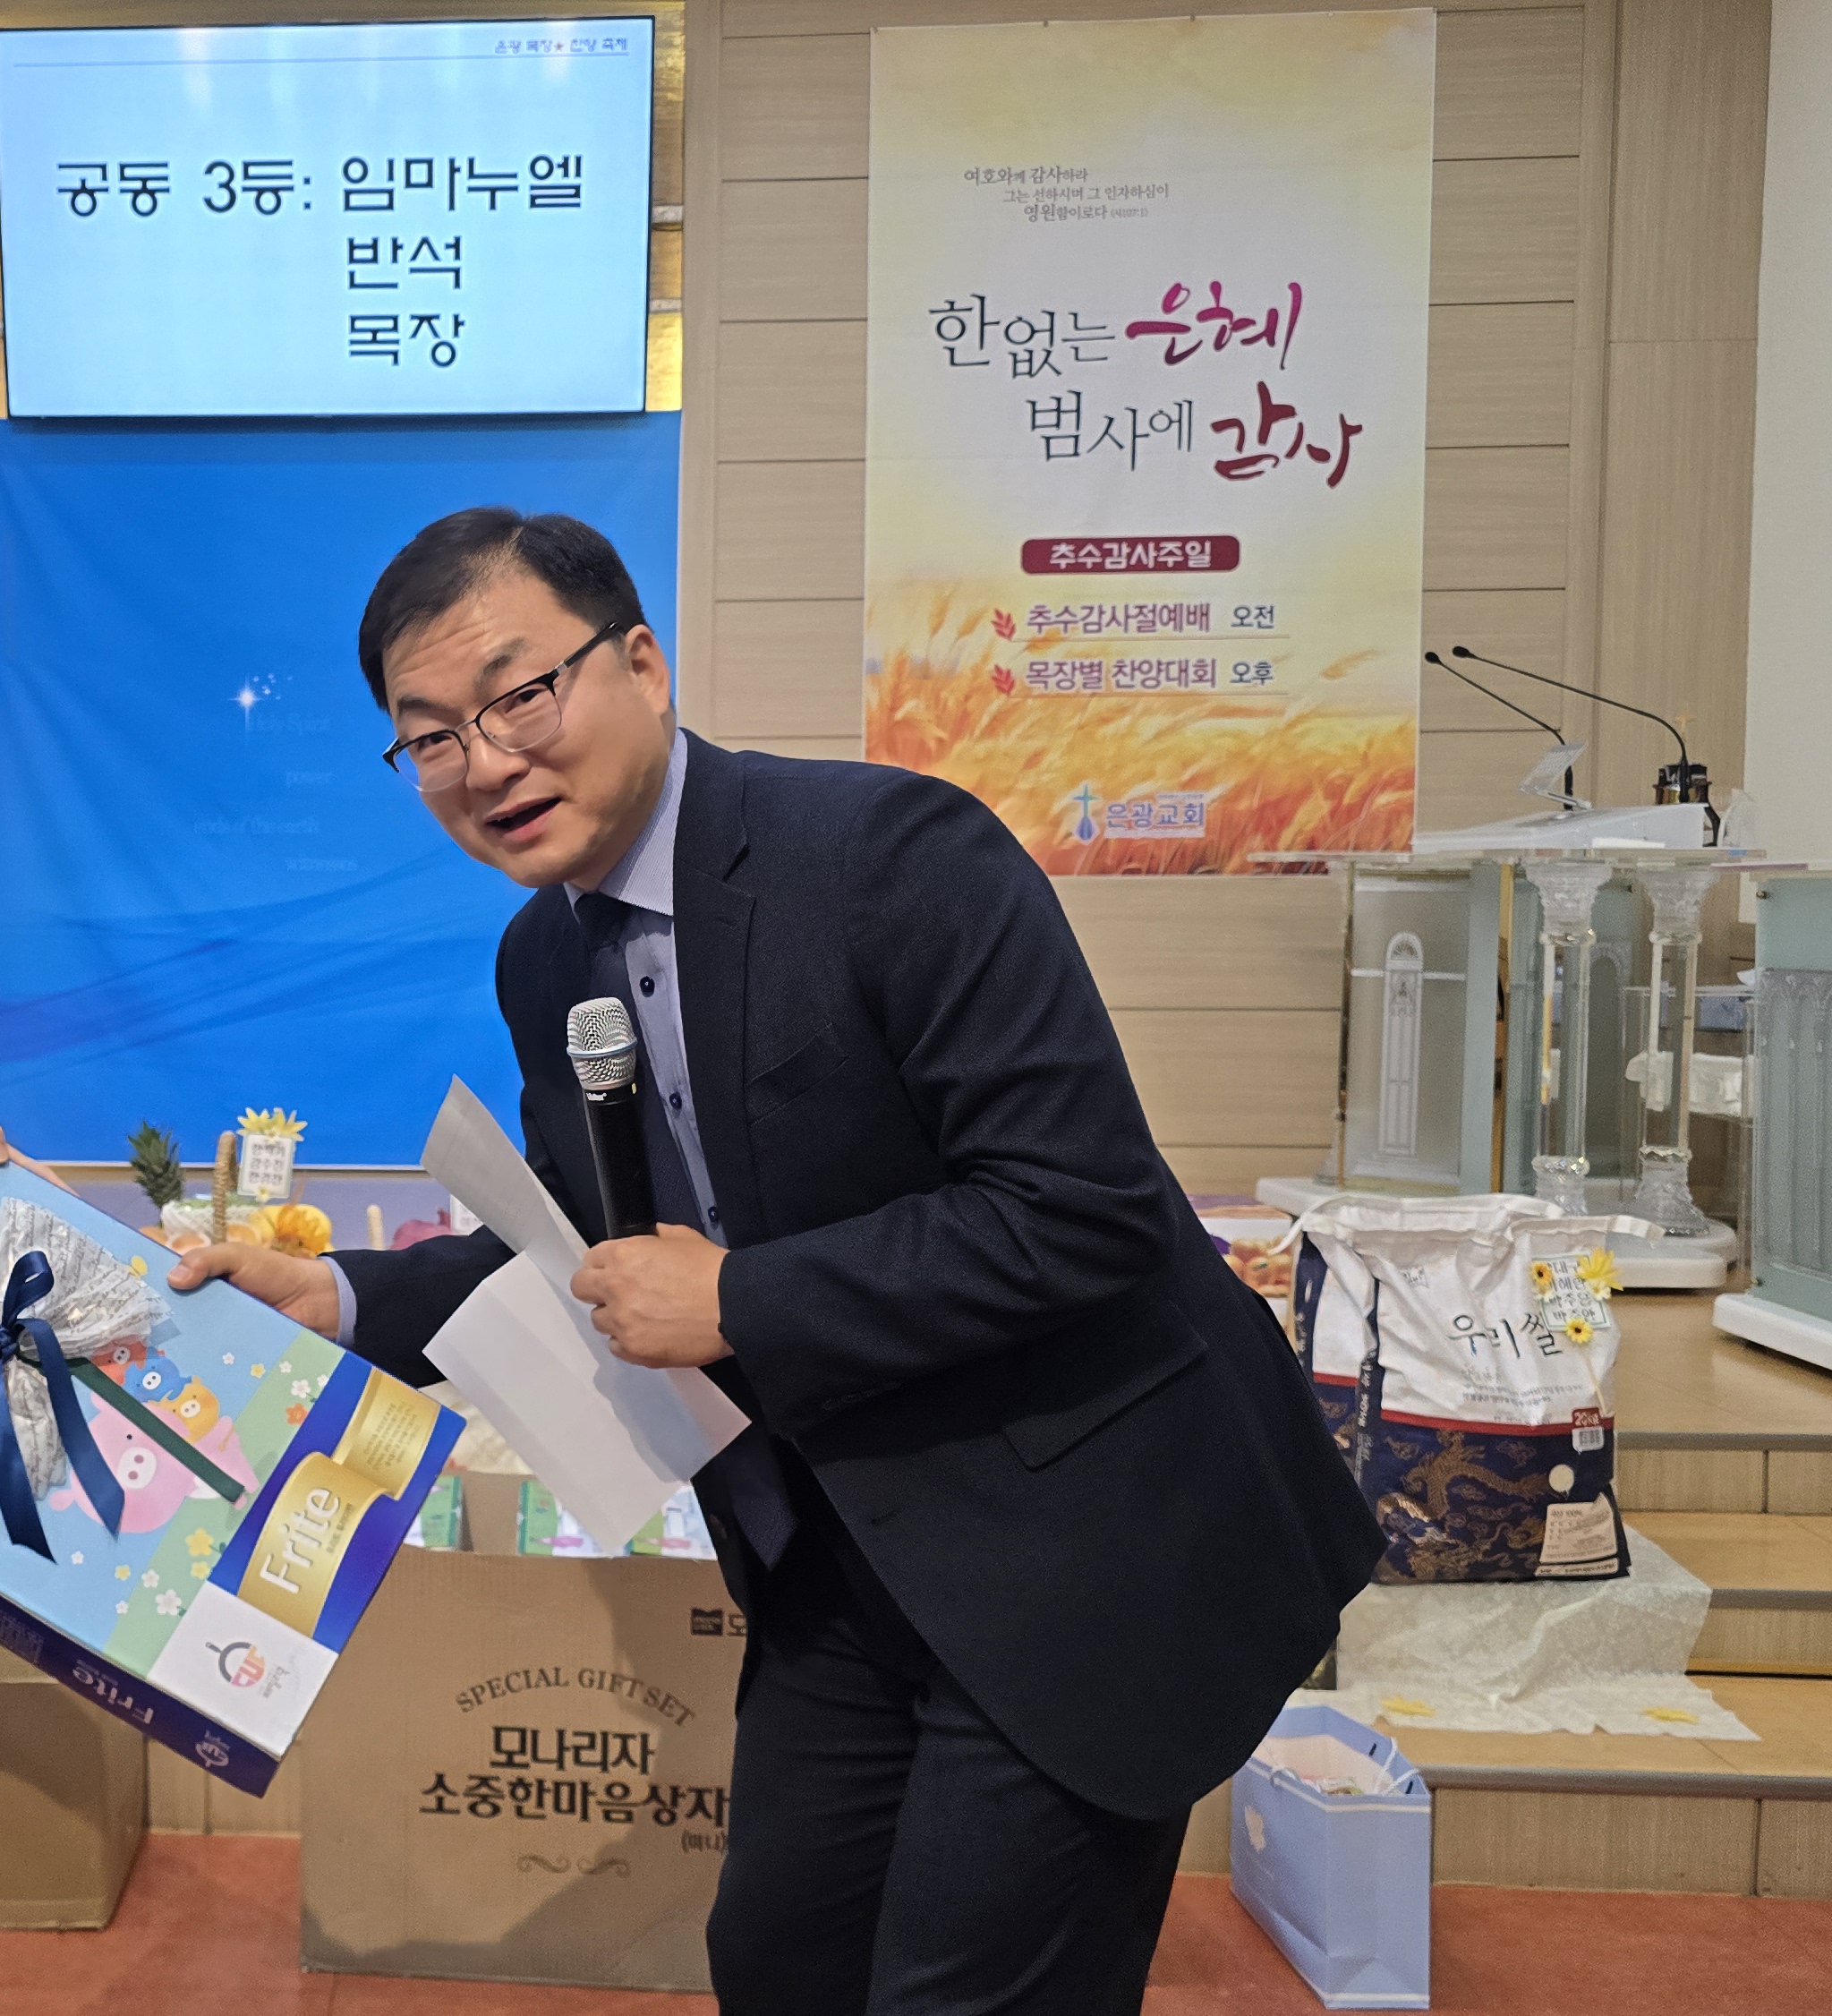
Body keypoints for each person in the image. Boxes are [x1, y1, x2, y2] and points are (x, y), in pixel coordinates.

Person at [174, 512, 1383, 2016]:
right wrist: (342, 1297)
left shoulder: (891, 856)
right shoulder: (543, 957)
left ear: (642, 664)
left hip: (1076, 1543)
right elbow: (580, 1246)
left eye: (519, 695)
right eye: (430, 738)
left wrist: (738, 1297)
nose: (484, 764)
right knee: (780, 1962)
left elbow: (1080, 1207)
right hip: (837, 1557)